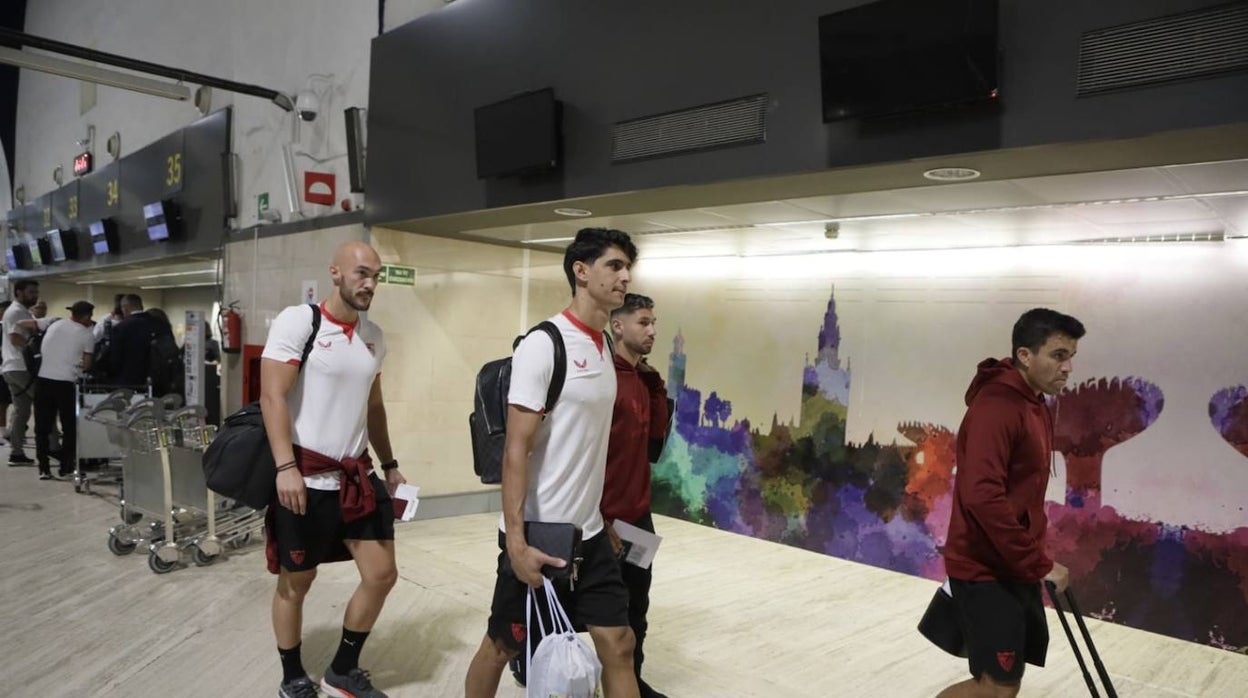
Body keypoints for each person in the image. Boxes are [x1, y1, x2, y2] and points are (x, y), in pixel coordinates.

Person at [465, 227, 641, 698]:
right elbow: (515, 450)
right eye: (614, 266)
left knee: (619, 644)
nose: (625, 277)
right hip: (540, 533)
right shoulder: (545, 344)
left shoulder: (604, 345)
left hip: (589, 533)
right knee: (503, 646)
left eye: (628, 267)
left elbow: (588, 446)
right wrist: (516, 543)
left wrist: (602, 516)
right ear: (581, 271)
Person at [260, 240, 406, 698]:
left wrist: (390, 464)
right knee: (297, 582)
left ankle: (342, 670)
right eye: (362, 273)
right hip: (304, 479)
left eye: (376, 276)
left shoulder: (374, 336)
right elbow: (272, 396)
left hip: (356, 478)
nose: (370, 284)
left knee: (381, 574)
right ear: (336, 273)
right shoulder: (299, 322)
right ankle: (292, 675)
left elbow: (373, 407)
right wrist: (285, 467)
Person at [937, 308, 1086, 698]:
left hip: (1010, 563)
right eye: (1058, 355)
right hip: (985, 567)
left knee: (1004, 681)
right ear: (1025, 355)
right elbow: (982, 496)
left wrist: (1030, 557)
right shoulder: (998, 407)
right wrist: (1037, 562)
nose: (1068, 367)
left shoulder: (1032, 403)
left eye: (1071, 356)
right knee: (997, 687)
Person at [602, 293, 670, 698]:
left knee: (637, 606)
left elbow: (656, 439)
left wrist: (655, 384)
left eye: (653, 322)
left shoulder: (644, 381)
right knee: (592, 608)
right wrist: (599, 518)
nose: (652, 331)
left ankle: (633, 682)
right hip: (602, 519)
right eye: (643, 322)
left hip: (639, 518)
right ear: (618, 326)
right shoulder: (602, 377)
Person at [34, 301, 94, 480]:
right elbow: (87, 364)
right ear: (87, 316)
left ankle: (44, 468)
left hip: (43, 380)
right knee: (69, 427)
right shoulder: (86, 334)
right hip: (66, 383)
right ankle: (66, 467)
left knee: (42, 427)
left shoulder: (56, 325)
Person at [2, 280, 42, 465]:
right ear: (18, 292)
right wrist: (35, 351)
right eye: (31, 292)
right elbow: (15, 338)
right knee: (45, 404)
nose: (35, 295)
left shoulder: (22, 311)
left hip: (13, 367)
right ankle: (53, 448)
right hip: (20, 368)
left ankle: (16, 453)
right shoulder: (16, 311)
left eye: (36, 292)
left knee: (22, 411)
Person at [108, 294, 160, 389]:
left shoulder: (120, 328)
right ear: (142, 306)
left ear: (125, 308)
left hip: (128, 380)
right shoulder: (160, 324)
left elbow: (115, 358)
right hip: (156, 379)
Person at [0, 300, 11, 447]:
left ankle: (5, 430)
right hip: (2, 369)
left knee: (7, 402)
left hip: (7, 368)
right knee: (2, 403)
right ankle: (2, 433)